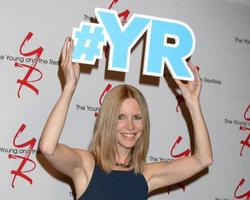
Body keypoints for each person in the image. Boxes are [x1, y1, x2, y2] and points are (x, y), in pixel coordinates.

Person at [39, 37, 213, 200]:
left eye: (137, 117)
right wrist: (69, 86)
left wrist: (193, 104)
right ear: (108, 121)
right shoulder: (86, 165)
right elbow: (48, 148)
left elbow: (203, 160)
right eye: (120, 117)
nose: (130, 126)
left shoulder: (147, 175)